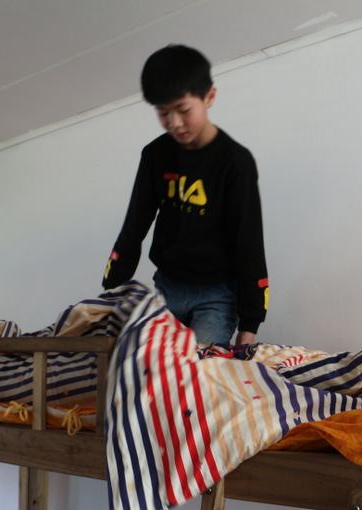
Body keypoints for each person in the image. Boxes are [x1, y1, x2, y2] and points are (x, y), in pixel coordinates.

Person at [102, 44, 268, 346]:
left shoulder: (235, 162)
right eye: (163, 113)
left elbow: (249, 242)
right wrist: (111, 294)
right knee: (145, 365)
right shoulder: (155, 155)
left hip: (218, 295)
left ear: (209, 97)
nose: (174, 123)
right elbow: (134, 227)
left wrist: (250, 323)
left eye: (183, 110)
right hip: (166, 287)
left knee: (195, 370)